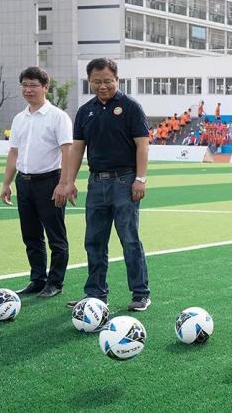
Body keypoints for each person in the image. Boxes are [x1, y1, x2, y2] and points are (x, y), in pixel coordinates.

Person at [57, 58, 151, 311]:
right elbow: (77, 149)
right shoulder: (85, 111)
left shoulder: (131, 107)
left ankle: (140, 293)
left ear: (117, 79)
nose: (102, 86)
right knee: (94, 241)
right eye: (96, 81)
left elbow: (142, 145)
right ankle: (96, 293)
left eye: (108, 81)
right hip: (96, 183)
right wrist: (68, 181)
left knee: (129, 239)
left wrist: (140, 179)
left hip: (125, 181)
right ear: (89, 81)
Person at [0, 66, 73, 298]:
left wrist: (64, 184)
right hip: (24, 182)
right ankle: (38, 279)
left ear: (45, 87)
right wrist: (6, 183)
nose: (28, 90)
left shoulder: (58, 117)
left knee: (56, 237)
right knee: (31, 235)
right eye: (24, 85)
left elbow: (68, 151)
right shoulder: (19, 118)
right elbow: (14, 153)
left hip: (49, 182)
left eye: (33, 85)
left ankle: (55, 282)